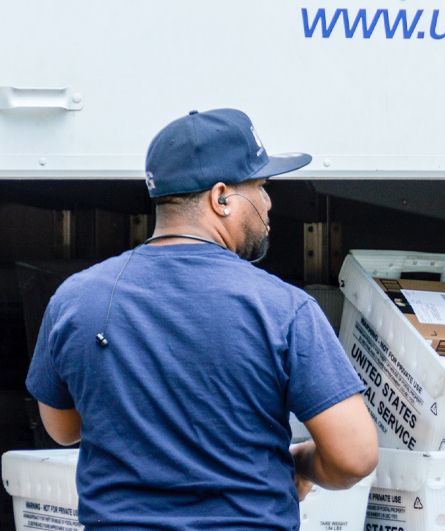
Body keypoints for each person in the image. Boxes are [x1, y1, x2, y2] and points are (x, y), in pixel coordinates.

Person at [25, 108, 379, 530]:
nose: (269, 203)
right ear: (221, 197)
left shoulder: (75, 299)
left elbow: (63, 429)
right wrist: (298, 462)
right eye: (261, 186)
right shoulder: (284, 308)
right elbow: (354, 457)